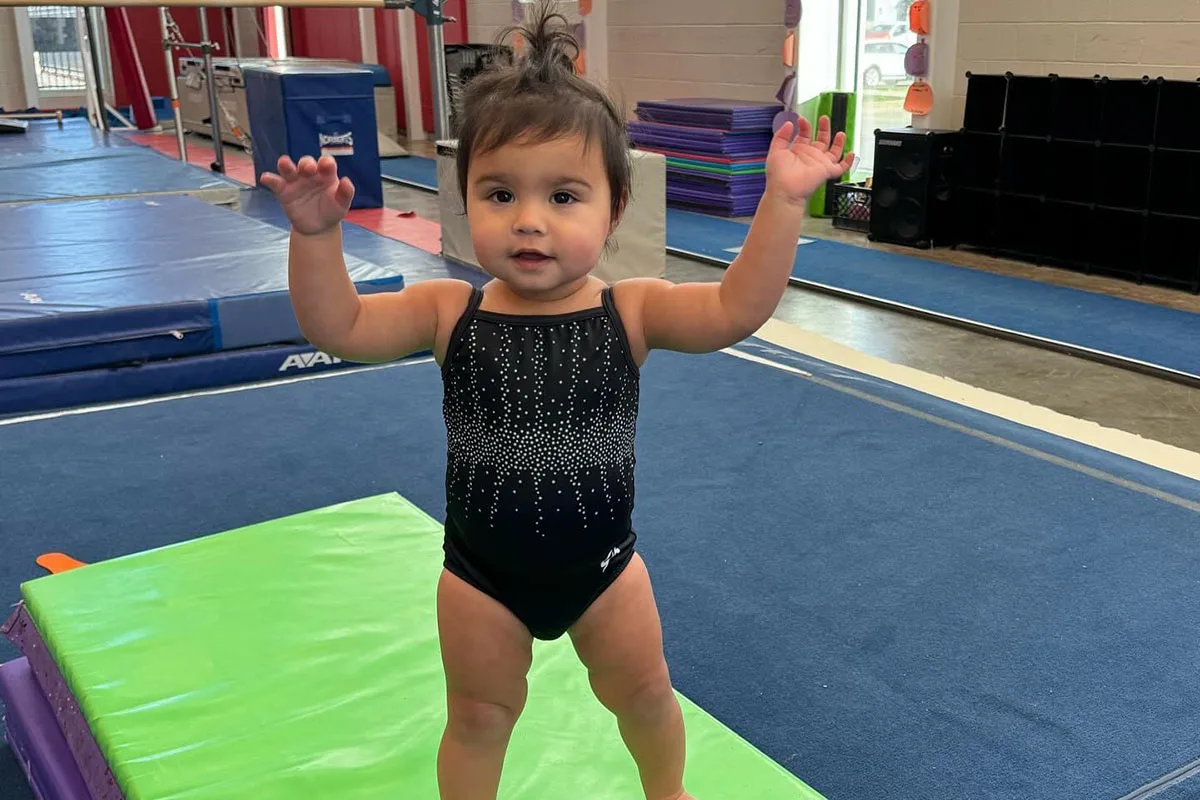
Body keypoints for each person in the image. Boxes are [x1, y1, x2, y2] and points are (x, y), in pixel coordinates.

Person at [262, 3, 852, 797]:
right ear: (463, 198)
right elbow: (340, 327)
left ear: (614, 211)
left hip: (605, 569)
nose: (530, 221)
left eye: (564, 198)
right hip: (479, 573)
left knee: (644, 696)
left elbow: (734, 310)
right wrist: (315, 240)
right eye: (499, 194)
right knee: (477, 715)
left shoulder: (632, 311)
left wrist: (780, 203)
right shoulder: (449, 311)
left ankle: (667, 793)